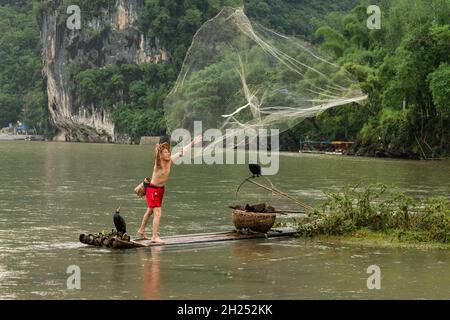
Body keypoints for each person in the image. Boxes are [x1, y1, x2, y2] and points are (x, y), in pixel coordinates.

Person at [137, 136, 201, 243]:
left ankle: (141, 230)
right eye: (166, 152)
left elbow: (183, 151)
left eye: (168, 152)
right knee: (157, 212)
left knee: (149, 211)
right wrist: (157, 150)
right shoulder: (158, 164)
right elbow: (157, 157)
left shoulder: (170, 160)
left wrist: (193, 142)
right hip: (153, 190)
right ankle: (154, 236)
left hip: (160, 190)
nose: (168, 153)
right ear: (161, 155)